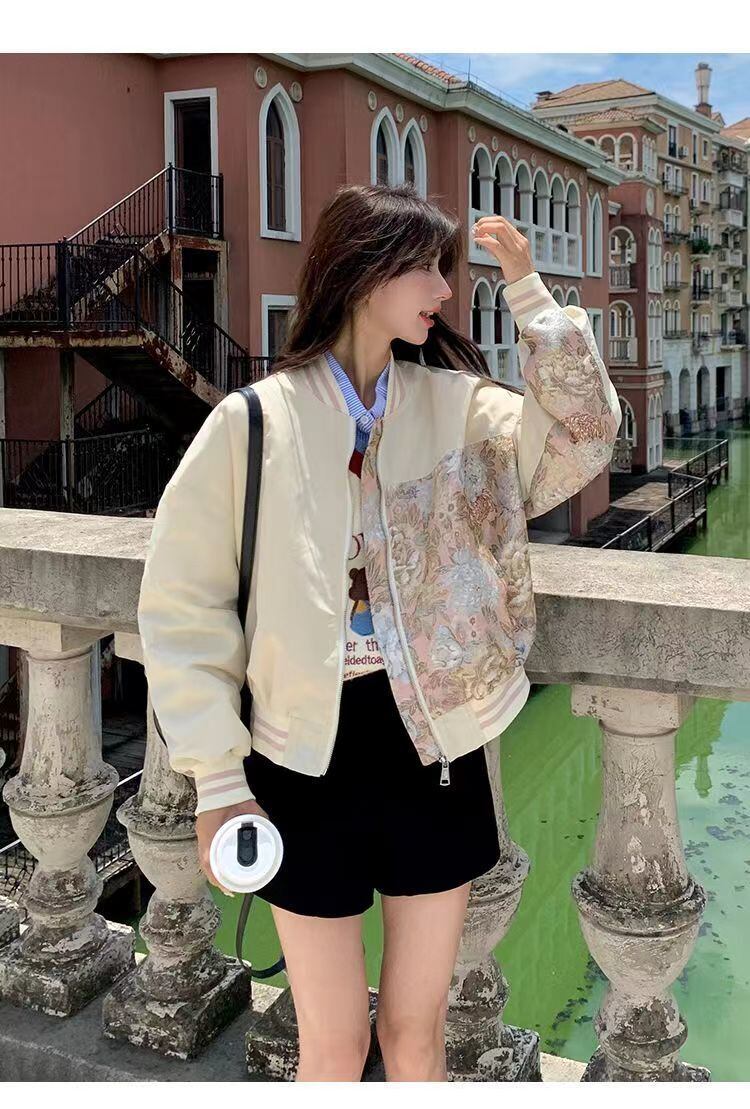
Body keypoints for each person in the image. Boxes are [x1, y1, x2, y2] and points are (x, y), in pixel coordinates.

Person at [137, 182, 622, 1081]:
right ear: (366, 274)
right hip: (297, 755)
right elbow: (182, 608)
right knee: (330, 1043)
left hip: (433, 748)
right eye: (427, 269)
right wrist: (218, 782)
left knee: (415, 1035)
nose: (444, 290)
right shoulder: (252, 425)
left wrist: (529, 294)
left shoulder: (461, 409)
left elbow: (588, 435)